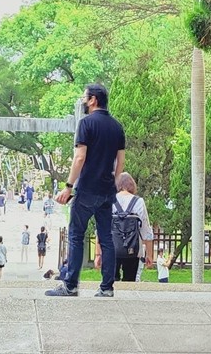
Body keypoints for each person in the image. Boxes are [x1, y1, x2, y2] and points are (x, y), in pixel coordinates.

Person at [44, 83, 125, 298]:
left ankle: (71, 285)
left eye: (85, 97)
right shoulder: (117, 127)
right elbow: (121, 161)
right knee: (106, 237)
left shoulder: (86, 124)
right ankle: (107, 287)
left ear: (93, 100)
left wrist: (69, 186)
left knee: (76, 235)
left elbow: (80, 157)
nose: (83, 100)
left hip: (87, 188)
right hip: (107, 190)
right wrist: (114, 183)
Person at [112, 171, 154, 283]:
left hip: (112, 249)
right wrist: (149, 255)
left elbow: (101, 228)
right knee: (129, 281)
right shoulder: (139, 202)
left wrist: (98, 253)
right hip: (133, 249)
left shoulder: (110, 200)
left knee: (110, 281)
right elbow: (146, 229)